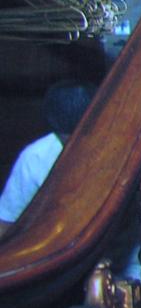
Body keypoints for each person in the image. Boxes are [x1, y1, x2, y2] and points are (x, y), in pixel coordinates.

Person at [0, 80, 96, 241]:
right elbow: (6, 220)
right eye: (66, 138)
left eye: (84, 135)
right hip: (58, 248)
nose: (74, 143)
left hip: (126, 258)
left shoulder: (125, 149)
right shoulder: (35, 157)